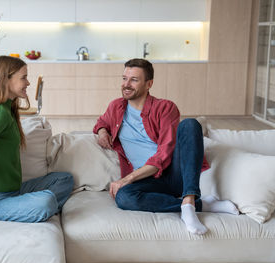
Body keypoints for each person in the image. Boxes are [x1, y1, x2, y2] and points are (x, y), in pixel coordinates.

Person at [94, 58, 239, 235]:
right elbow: (102, 121)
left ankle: (189, 198)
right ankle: (198, 205)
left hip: (174, 174)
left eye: (134, 80)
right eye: (124, 78)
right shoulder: (116, 106)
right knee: (124, 197)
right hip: (145, 180)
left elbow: (163, 154)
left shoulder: (165, 108)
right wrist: (102, 131)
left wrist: (126, 179)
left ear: (149, 84)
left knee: (190, 124)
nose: (126, 84)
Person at [0, 55, 74, 223]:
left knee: (64, 179)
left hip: (13, 192)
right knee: (47, 201)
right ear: (5, 80)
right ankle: (35, 209)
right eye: (24, 78)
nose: (28, 83)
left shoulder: (8, 110)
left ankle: (27, 208)